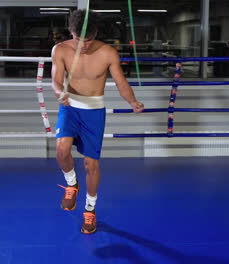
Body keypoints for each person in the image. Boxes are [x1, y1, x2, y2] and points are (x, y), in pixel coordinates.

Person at [51, 9, 144, 234]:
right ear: (71, 33)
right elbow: (55, 79)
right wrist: (59, 92)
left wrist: (133, 101)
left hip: (94, 112)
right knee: (62, 151)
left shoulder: (108, 53)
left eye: (89, 40)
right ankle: (71, 183)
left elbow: (121, 82)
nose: (83, 45)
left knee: (91, 164)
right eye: (77, 39)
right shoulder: (61, 50)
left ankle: (90, 211)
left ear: (96, 34)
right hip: (70, 106)